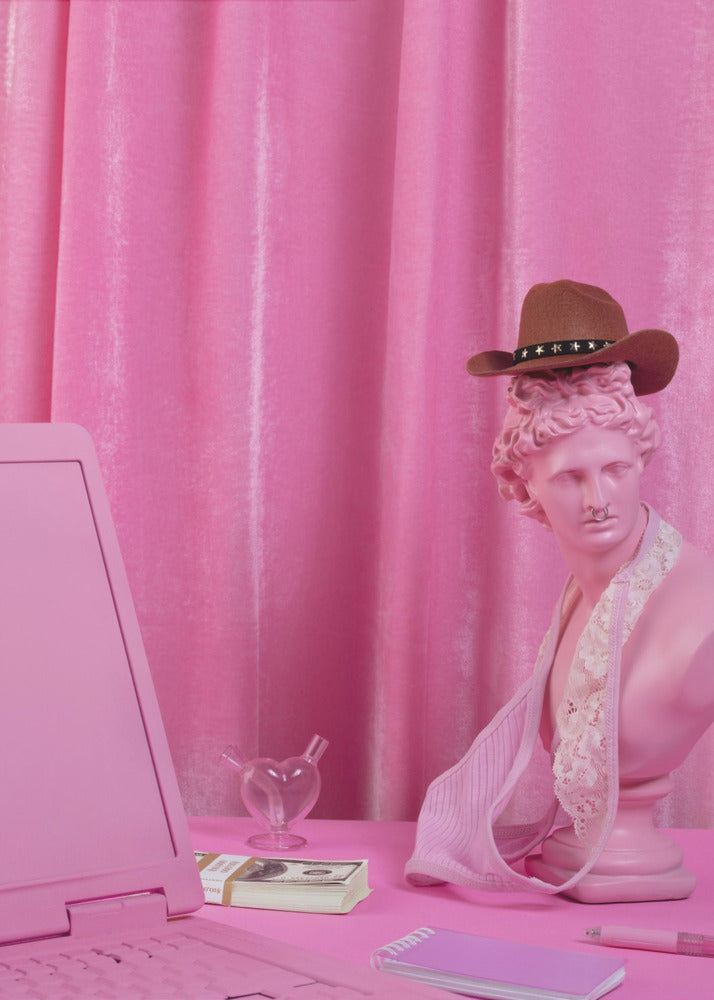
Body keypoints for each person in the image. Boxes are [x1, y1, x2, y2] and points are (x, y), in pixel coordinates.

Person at [405, 280, 714, 902]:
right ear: (525, 484)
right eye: (571, 477)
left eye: (615, 469)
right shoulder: (578, 602)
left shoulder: (700, 614)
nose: (599, 501)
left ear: (641, 459)